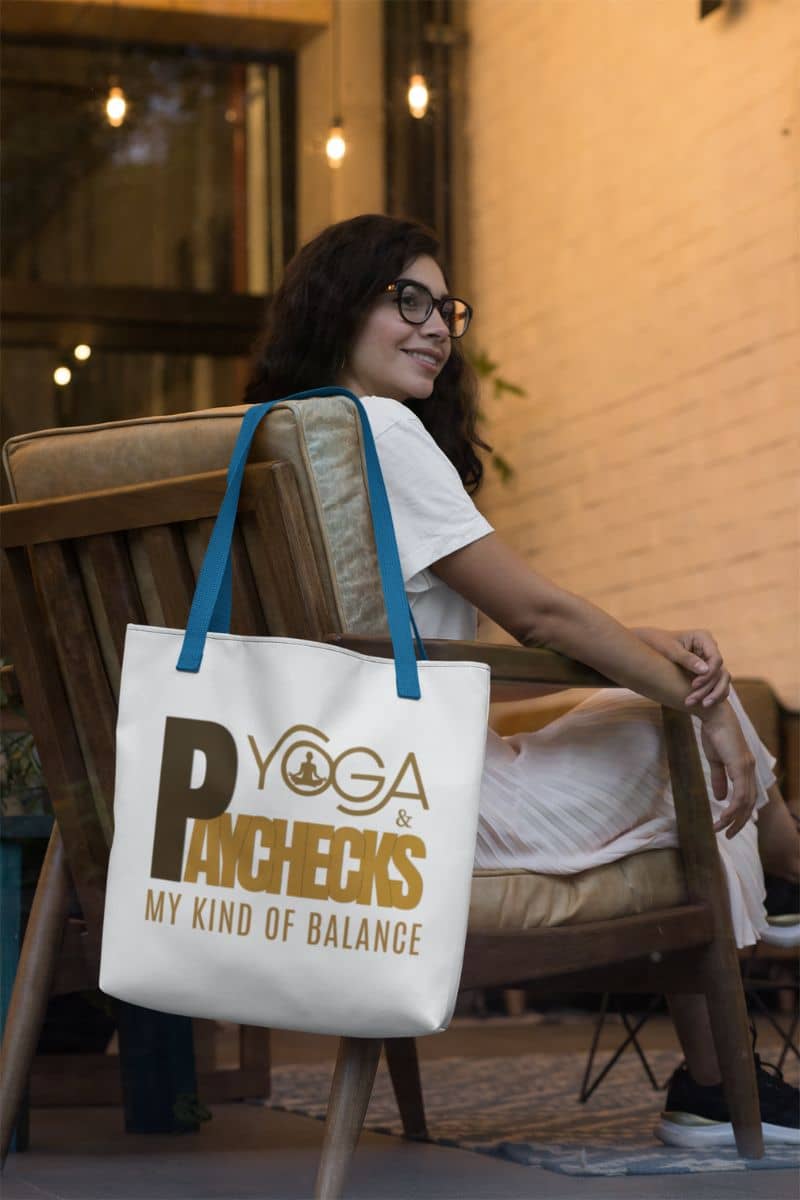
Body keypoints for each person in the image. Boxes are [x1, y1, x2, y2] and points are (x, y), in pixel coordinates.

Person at [246, 213, 799, 1147]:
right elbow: (537, 617)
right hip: (417, 800)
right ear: (338, 306)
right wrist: (693, 700)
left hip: (314, 783)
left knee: (658, 703)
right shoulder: (376, 429)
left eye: (445, 309)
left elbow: (440, 658)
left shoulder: (273, 440)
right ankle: (756, 970)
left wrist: (640, 655)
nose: (436, 328)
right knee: (697, 725)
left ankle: (744, 1001)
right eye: (406, 300)